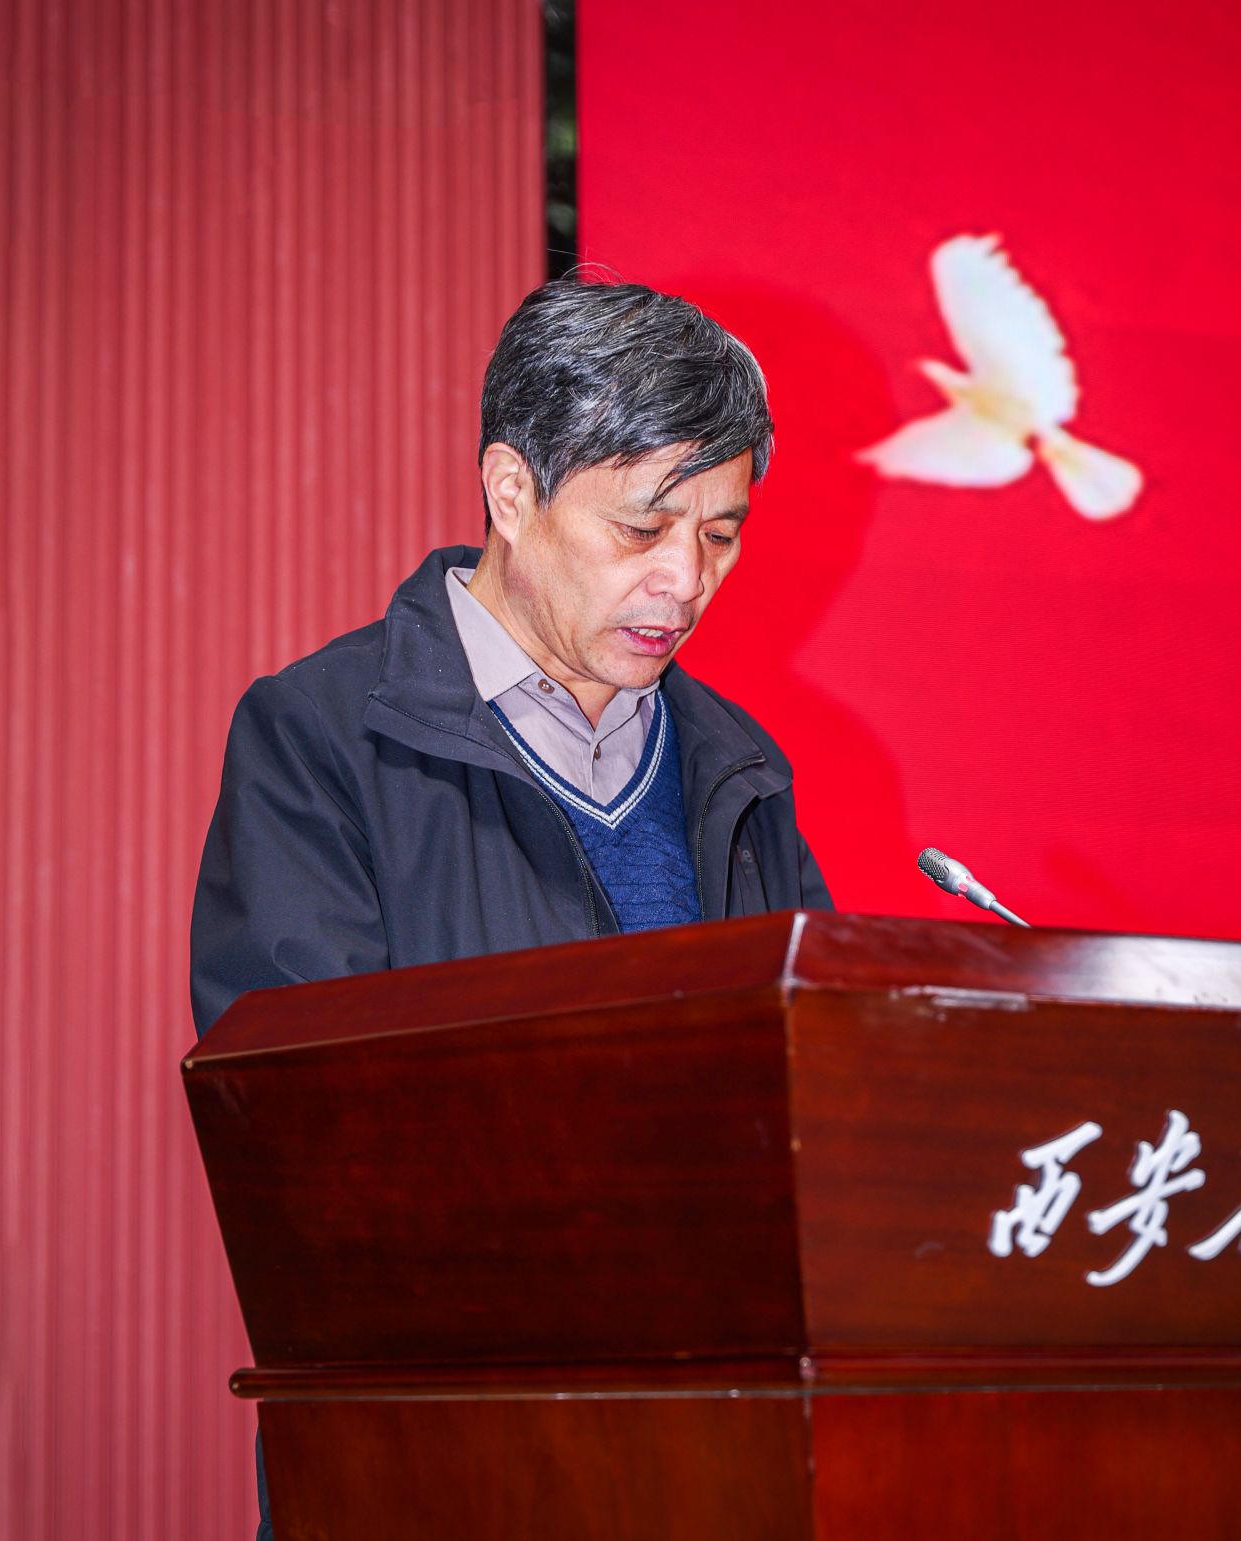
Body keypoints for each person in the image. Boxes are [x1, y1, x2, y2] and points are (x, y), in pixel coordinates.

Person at [188, 274, 832, 1538]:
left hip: (708, 1457)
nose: (683, 580)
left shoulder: (737, 767)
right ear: (510, 491)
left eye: (719, 534)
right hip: (433, 1455)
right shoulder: (321, 737)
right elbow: (305, 1140)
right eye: (642, 527)